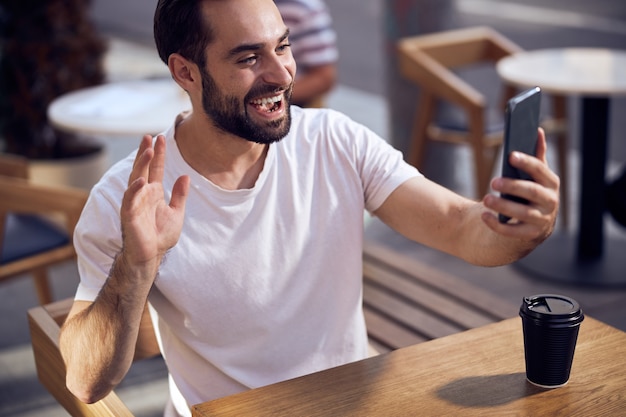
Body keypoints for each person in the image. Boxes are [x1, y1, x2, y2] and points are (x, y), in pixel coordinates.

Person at [59, 0, 560, 416]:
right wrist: (137, 264)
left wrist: (517, 224)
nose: (281, 74)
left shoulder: (333, 140)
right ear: (185, 72)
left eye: (283, 46)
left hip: (351, 401)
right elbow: (85, 381)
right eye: (248, 58)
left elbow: (459, 227)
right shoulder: (126, 200)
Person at [274, 0, 338, 107]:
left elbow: (324, 78)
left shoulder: (302, 9)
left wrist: (270, 96)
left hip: (295, 106)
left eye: (281, 48)